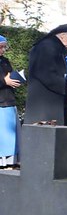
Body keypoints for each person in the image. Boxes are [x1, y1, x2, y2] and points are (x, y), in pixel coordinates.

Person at [24, 23, 67, 125]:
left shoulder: (54, 47)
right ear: (63, 35)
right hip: (45, 100)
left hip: (51, 97)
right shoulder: (46, 46)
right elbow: (46, 73)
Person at [0, 36, 22, 167]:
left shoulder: (5, 60)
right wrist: (4, 81)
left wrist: (15, 79)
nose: (3, 50)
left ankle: (11, 160)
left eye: (4, 47)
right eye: (0, 47)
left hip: (9, 100)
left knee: (11, 135)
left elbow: (9, 75)